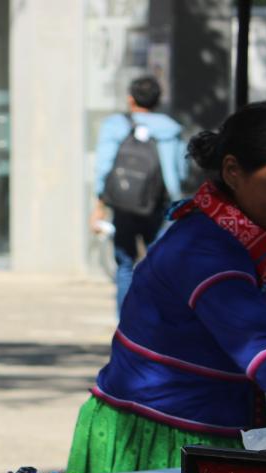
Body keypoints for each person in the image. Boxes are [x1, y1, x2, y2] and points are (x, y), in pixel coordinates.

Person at [68, 100, 266, 473]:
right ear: (232, 171)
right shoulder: (202, 247)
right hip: (159, 438)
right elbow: (259, 347)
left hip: (225, 435)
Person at [91, 76, 188, 313]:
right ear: (157, 100)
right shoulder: (170, 128)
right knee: (157, 264)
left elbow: (104, 167)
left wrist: (99, 205)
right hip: (159, 203)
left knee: (125, 264)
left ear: (130, 99)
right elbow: (181, 171)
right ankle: (153, 320)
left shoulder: (115, 125)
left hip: (123, 203)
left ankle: (125, 322)